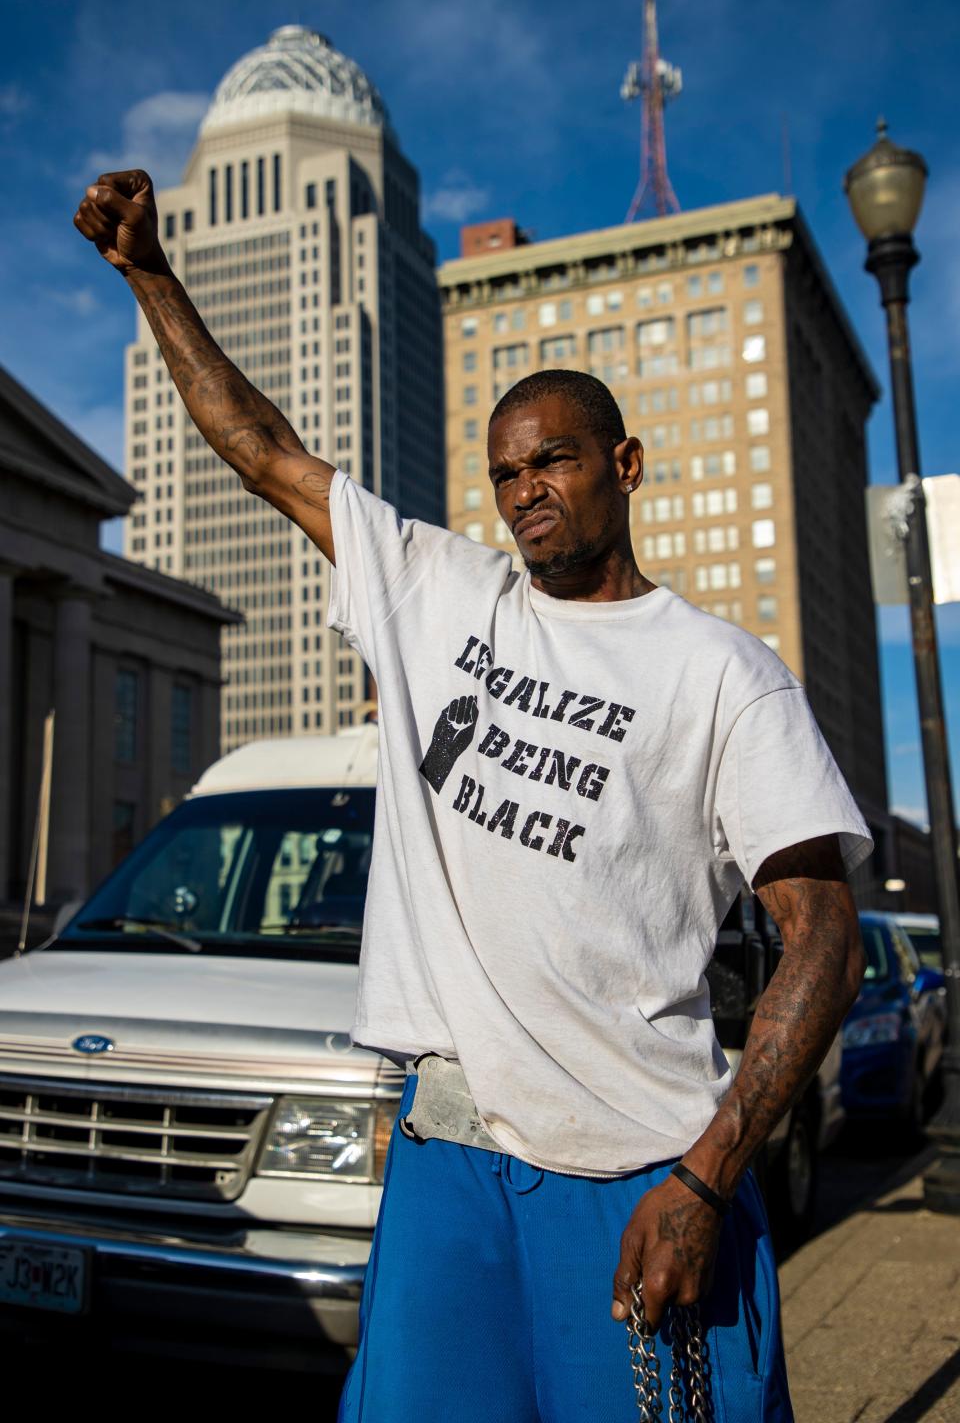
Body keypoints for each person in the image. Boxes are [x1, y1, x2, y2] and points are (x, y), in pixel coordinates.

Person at [75, 171, 871, 1422]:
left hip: (643, 1169)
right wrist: (152, 277)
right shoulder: (438, 595)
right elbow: (264, 450)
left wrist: (709, 1181)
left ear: (627, 463)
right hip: (450, 1154)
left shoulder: (724, 674)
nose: (524, 494)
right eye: (505, 474)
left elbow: (824, 941)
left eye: (553, 460)